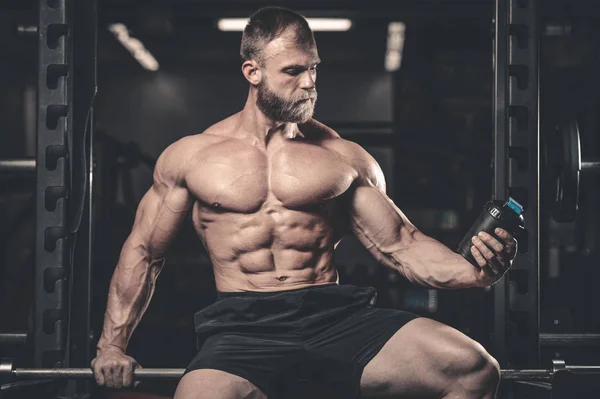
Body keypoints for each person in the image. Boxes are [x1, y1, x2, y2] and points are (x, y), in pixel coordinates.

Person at [91, 6, 518, 399]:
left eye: (314, 69)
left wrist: (472, 273)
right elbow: (145, 253)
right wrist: (112, 346)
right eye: (293, 71)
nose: (310, 83)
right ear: (252, 71)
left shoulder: (342, 157)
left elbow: (401, 245)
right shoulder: (191, 157)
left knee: (473, 368)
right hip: (242, 328)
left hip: (334, 318)